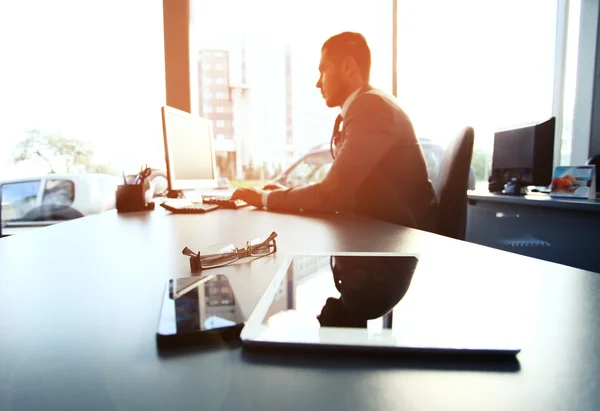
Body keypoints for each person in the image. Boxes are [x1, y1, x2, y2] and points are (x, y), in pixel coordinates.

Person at [232, 32, 438, 230]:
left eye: (323, 70)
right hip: (386, 233)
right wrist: (288, 194)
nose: (318, 82)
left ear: (348, 67)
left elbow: (332, 195)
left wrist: (264, 198)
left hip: (400, 245)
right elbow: (344, 190)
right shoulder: (370, 104)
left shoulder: (371, 106)